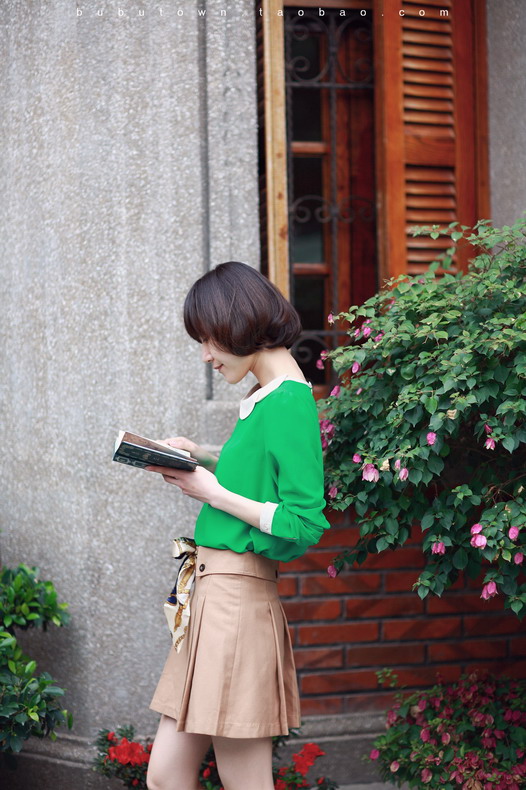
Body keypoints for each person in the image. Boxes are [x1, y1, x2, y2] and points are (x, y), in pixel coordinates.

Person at [145, 261, 330, 790]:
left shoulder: (290, 399)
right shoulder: (266, 396)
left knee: (243, 782)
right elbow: (261, 474)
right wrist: (202, 455)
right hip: (213, 596)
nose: (205, 355)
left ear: (238, 325)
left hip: (236, 601)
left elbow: (304, 521)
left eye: (208, 340)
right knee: (166, 776)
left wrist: (212, 492)